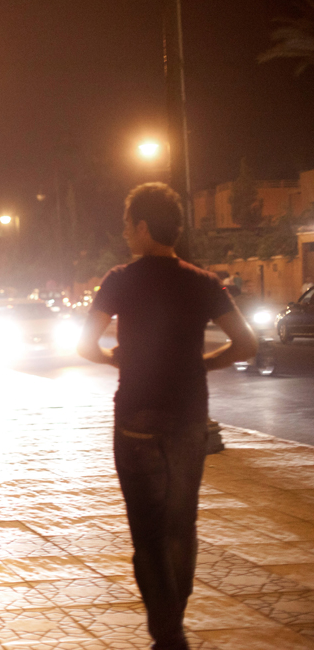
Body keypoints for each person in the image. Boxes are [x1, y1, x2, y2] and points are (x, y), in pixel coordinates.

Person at [77, 183, 257, 650]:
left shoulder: (119, 279)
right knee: (181, 526)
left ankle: (168, 633)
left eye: (126, 226)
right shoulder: (202, 282)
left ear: (140, 226)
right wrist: (203, 363)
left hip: (136, 418)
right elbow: (247, 343)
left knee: (148, 531)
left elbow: (84, 345)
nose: (124, 235)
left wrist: (117, 358)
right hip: (187, 422)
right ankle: (174, 621)